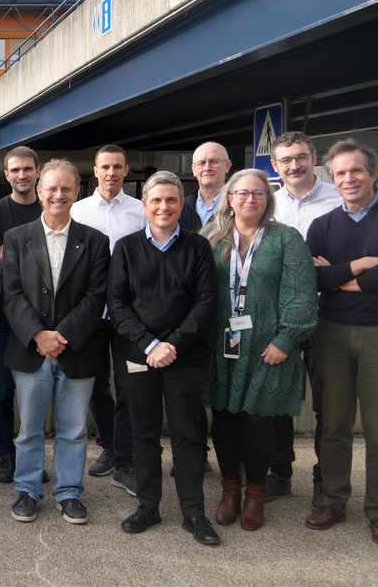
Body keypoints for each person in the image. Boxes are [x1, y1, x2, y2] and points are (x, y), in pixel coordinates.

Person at [305, 138, 378, 548]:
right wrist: (364, 265)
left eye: (356, 170)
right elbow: (312, 277)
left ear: (374, 173)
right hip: (331, 330)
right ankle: (333, 500)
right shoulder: (324, 225)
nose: (348, 178)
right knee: (333, 424)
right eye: (341, 173)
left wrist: (340, 277)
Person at [108, 171, 220, 546]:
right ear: (145, 205)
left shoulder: (198, 247)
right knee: (143, 434)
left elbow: (206, 302)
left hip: (185, 356)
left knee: (189, 437)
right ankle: (148, 506)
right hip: (137, 354)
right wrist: (150, 344)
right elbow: (117, 303)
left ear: (180, 204)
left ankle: (194, 513)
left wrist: (172, 344)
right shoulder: (126, 248)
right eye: (156, 200)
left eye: (171, 200)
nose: (164, 207)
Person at [201, 169, 316, 531]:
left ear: (268, 199)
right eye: (242, 193)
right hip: (221, 346)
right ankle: (229, 491)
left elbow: (300, 295)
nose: (250, 199)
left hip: (268, 347)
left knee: (256, 421)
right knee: (223, 419)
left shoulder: (286, 239)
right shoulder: (212, 239)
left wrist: (286, 340)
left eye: (258, 193)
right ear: (229, 198)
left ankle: (255, 494)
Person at [1, 159, 109, 524]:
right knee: (29, 428)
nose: (58, 195)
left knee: (74, 430)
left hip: (78, 349)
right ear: (40, 192)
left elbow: (97, 296)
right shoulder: (17, 238)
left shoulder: (95, 241)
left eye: (66, 188)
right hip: (30, 349)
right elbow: (11, 294)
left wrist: (62, 336)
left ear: (76, 193)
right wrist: (37, 334)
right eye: (52, 189)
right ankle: (28, 489)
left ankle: (68, 492)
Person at [265, 131, 342, 506]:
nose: (294, 165)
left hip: (328, 314)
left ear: (315, 157)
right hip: (281, 318)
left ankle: (325, 480)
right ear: (275, 166)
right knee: (279, 398)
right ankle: (279, 472)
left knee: (326, 403)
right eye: (285, 160)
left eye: (300, 157)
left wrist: (333, 270)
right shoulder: (270, 204)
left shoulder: (337, 198)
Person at [69, 144, 145, 495]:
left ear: (126, 170)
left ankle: (126, 460)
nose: (111, 173)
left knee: (129, 386)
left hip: (130, 316)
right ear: (95, 171)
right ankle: (110, 449)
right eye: (105, 167)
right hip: (93, 315)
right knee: (96, 386)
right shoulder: (79, 211)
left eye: (117, 166)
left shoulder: (142, 211)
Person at [0, 145, 43, 483]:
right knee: (3, 391)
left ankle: (32, 457)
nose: (22, 175)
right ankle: (6, 455)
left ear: (37, 172)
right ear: (7, 175)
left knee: (36, 393)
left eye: (27, 169)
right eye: (15, 170)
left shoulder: (49, 207)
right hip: (4, 318)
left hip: (45, 319)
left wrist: (15, 256)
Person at [187, 142, 231, 227]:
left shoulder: (238, 205)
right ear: (194, 169)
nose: (207, 168)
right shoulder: (181, 208)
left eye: (214, 162)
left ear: (227, 166)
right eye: (201, 163)